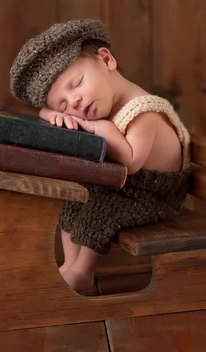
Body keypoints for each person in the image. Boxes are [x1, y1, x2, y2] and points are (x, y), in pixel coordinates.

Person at [10, 19, 192, 295]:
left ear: (106, 60)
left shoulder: (144, 110)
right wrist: (52, 114)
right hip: (124, 186)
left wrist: (101, 129)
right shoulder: (102, 103)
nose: (76, 103)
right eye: (64, 104)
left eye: (77, 83)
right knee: (74, 198)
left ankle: (82, 272)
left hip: (154, 193)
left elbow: (130, 163)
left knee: (100, 210)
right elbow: (45, 113)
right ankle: (70, 265)